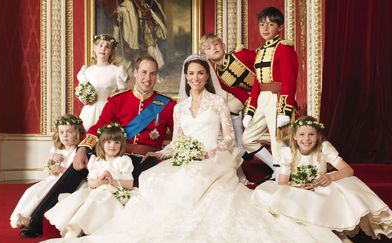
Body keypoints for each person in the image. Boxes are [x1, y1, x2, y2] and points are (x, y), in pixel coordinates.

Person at [42, 55, 343, 243]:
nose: (196, 78)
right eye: (191, 74)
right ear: (185, 78)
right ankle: (44, 214)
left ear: (206, 77)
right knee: (157, 178)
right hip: (177, 155)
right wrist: (160, 154)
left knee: (194, 179)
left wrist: (208, 152)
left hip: (215, 156)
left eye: (200, 74)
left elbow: (229, 138)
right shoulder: (179, 107)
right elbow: (175, 142)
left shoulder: (218, 102)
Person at [19, 55, 175, 238]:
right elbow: (97, 128)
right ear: (135, 72)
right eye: (144, 72)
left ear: (157, 76)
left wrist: (160, 154)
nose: (147, 78)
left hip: (143, 160)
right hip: (113, 154)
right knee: (79, 166)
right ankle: (37, 220)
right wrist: (82, 149)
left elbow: (175, 137)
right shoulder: (118, 101)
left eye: (152, 73)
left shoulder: (167, 105)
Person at [254, 116, 392, 240]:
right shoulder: (288, 153)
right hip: (298, 188)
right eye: (302, 134)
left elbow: (348, 170)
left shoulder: (323, 148)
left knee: (337, 190)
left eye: (311, 134)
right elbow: (282, 183)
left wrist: (330, 178)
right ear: (294, 136)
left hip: (321, 187)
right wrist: (298, 187)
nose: (306, 139)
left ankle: (338, 231)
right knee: (280, 197)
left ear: (318, 136)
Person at [200, 33, 276, 183]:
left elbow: (263, 69)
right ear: (205, 54)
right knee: (229, 107)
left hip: (268, 89)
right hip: (251, 96)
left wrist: (253, 101)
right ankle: (241, 146)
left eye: (216, 45)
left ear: (223, 46)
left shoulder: (240, 54)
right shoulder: (218, 75)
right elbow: (238, 93)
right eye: (209, 48)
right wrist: (249, 103)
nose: (213, 48)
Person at [45, 123, 134, 238]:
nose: (112, 146)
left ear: (122, 145)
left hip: (114, 193)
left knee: (98, 200)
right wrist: (99, 181)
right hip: (97, 190)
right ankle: (73, 229)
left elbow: (130, 184)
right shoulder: (96, 161)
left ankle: (78, 228)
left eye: (117, 142)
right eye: (108, 142)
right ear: (101, 143)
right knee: (81, 200)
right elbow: (91, 183)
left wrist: (113, 181)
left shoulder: (123, 161)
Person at [242, 7, 298, 180]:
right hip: (262, 99)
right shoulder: (260, 51)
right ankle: (275, 169)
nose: (265, 29)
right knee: (248, 138)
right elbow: (257, 83)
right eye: (262, 24)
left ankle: (281, 173)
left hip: (277, 98)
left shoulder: (284, 48)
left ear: (280, 28)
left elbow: (290, 80)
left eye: (270, 24)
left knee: (277, 139)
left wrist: (284, 109)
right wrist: (250, 110)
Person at [10, 114, 85, 228]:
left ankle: (30, 217)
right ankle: (22, 214)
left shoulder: (77, 152)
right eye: (61, 132)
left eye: (69, 132)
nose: (65, 135)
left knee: (43, 194)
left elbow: (75, 174)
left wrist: (61, 169)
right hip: (52, 179)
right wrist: (52, 161)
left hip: (63, 182)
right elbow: (49, 168)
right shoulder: (57, 150)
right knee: (31, 191)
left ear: (78, 133)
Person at [77, 34, 128, 130]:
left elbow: (123, 96)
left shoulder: (117, 71)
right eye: (100, 46)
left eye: (107, 47)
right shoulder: (87, 71)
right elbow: (82, 90)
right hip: (90, 112)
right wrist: (84, 99)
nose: (103, 49)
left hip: (108, 111)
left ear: (111, 52)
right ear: (95, 49)